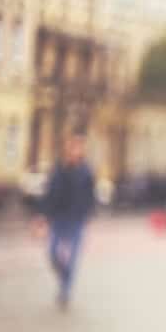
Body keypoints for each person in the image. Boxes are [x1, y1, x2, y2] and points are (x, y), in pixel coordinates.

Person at [36, 132, 96, 308]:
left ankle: (65, 290)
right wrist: (42, 216)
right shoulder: (58, 169)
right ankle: (64, 276)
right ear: (67, 148)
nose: (74, 150)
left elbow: (90, 197)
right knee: (53, 254)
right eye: (72, 147)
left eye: (78, 147)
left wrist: (88, 217)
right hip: (58, 218)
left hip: (76, 220)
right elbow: (49, 194)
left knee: (72, 258)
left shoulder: (86, 172)